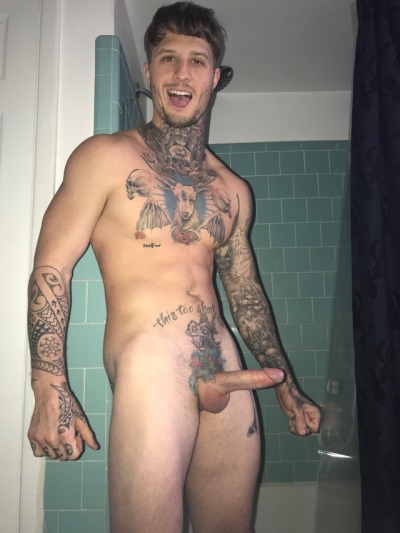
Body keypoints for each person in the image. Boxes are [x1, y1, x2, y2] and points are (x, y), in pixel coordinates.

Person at [27, 2, 321, 532]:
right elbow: (52, 267)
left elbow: (245, 293)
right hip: (152, 368)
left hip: (228, 370)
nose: (182, 74)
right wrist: (49, 386)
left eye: (197, 61)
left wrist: (287, 383)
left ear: (215, 77)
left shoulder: (233, 191)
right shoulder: (105, 157)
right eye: (168, 58)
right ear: (149, 71)